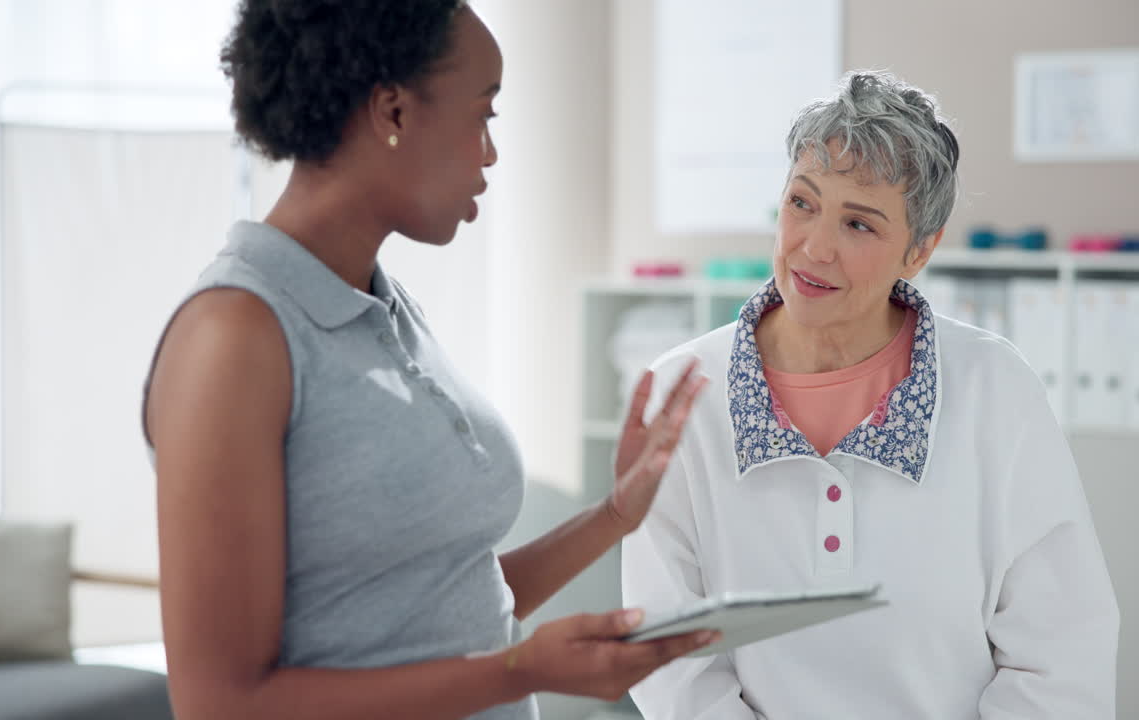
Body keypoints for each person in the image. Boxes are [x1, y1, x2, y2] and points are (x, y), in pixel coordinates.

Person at [142, 2, 715, 718]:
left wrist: (614, 514)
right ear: (394, 111)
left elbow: (446, 607)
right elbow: (221, 705)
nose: (489, 153)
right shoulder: (234, 338)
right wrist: (518, 671)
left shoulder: (386, 308)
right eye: (483, 114)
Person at [622, 70, 1119, 719]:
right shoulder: (681, 394)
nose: (815, 247)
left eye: (859, 224)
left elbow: (1062, 651)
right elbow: (670, 657)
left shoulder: (994, 389)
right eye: (802, 203)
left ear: (919, 250)